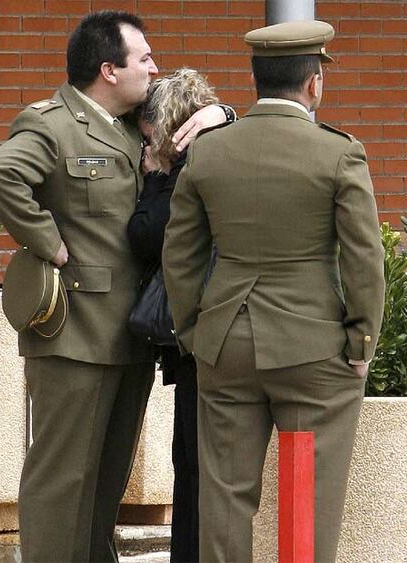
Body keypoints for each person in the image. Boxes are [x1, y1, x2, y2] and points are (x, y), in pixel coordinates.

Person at [0, 10, 233, 563]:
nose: (154, 66)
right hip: (74, 332)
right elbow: (4, 175)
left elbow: (202, 115)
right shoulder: (50, 125)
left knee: (106, 478)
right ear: (108, 69)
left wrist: (222, 111)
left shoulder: (133, 123)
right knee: (62, 478)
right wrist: (47, 242)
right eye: (144, 57)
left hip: (131, 334)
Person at [162, 20, 385, 563]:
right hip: (311, 352)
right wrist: (361, 343)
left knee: (226, 498)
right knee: (304, 494)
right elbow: (364, 259)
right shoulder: (338, 153)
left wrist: (195, 330)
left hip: (227, 346)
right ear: (315, 83)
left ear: (255, 76)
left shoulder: (209, 152)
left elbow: (180, 253)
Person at [127, 68, 220, 563]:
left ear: (166, 128)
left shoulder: (181, 173)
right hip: (213, 333)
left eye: (149, 137)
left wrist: (152, 179)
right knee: (195, 464)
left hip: (196, 339)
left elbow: (146, 236)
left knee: (194, 465)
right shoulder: (223, 145)